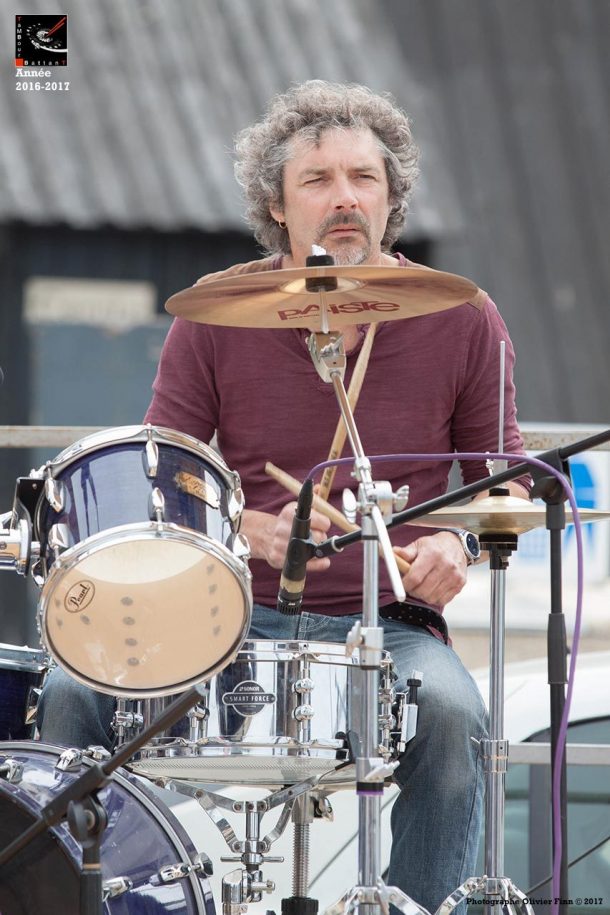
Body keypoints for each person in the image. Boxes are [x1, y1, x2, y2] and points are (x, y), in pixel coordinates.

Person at [38, 81, 530, 913]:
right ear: (277, 202)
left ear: (391, 196)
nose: (345, 198)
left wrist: (461, 541)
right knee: (71, 693)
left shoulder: (463, 317)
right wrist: (237, 527)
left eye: (364, 178)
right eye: (318, 179)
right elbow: (164, 476)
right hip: (223, 616)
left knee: (454, 716)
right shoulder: (217, 313)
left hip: (389, 623)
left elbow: (506, 475)